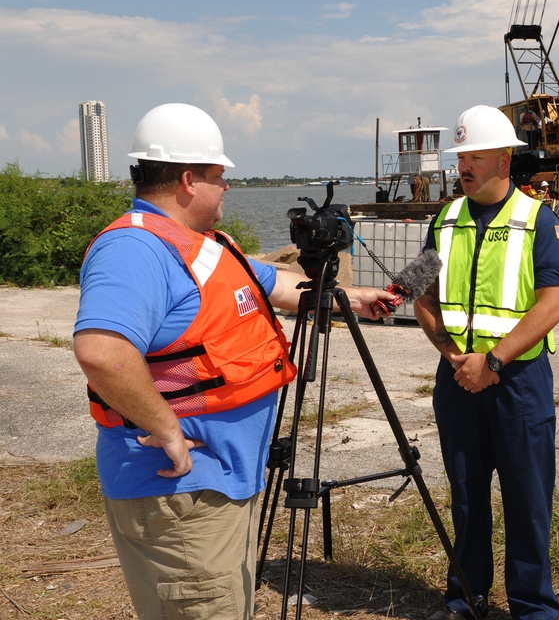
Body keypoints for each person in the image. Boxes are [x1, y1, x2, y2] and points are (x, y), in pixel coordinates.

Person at [72, 103, 395, 620]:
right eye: (219, 177)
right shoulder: (136, 248)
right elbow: (101, 351)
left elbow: (278, 287)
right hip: (179, 492)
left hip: (219, 486)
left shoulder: (206, 245)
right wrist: (167, 428)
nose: (227, 188)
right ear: (186, 180)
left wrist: (352, 298)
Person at [413, 105, 559, 620]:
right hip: (458, 377)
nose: (465, 166)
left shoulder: (538, 221)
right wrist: (456, 358)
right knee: (466, 494)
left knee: (527, 499)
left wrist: (494, 362)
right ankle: (465, 596)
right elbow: (420, 295)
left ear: (504, 160)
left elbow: (553, 304)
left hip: (518, 381)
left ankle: (533, 607)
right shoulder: (445, 220)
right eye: (461, 157)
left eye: (476, 157)